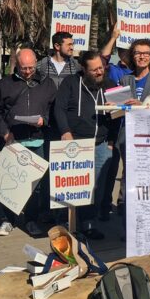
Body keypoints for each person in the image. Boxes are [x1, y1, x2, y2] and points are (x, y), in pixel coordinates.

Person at [0, 48, 57, 237]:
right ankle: (8, 219)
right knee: (9, 183)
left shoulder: (47, 83)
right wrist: (5, 132)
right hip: (12, 140)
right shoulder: (4, 84)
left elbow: (53, 108)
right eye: (24, 68)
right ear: (17, 65)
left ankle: (31, 219)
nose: (27, 71)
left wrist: (45, 120)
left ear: (36, 64)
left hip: (37, 140)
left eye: (31, 68)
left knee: (35, 185)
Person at [52, 51, 119, 239]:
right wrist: (65, 131)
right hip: (75, 144)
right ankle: (66, 223)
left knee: (95, 188)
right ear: (84, 69)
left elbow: (120, 115)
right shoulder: (71, 83)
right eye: (95, 69)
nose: (100, 72)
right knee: (71, 186)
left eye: (101, 68)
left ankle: (89, 223)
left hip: (101, 144)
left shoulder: (111, 85)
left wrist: (112, 139)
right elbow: (59, 108)